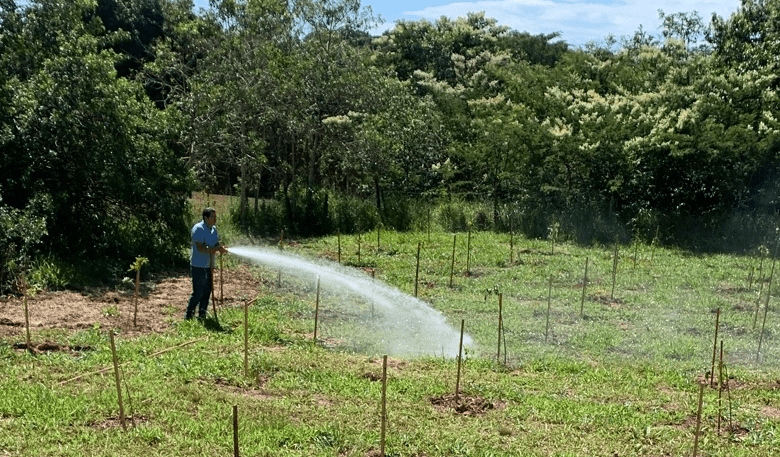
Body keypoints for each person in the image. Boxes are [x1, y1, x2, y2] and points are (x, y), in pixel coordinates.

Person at [186, 207, 228, 321]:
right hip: (198, 265)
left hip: (209, 265)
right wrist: (215, 250)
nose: (215, 219)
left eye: (216, 217)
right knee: (198, 292)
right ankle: (189, 317)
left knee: (207, 291)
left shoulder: (213, 229)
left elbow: (216, 243)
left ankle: (202, 315)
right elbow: (200, 248)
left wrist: (220, 247)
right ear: (205, 217)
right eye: (212, 217)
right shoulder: (198, 229)